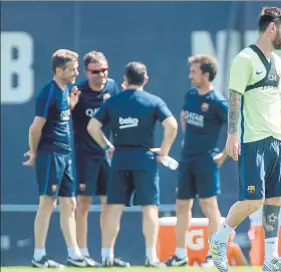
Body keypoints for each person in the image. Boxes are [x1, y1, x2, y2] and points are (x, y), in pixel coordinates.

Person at [209, 6, 281, 272]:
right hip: (253, 141)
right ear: (272, 28)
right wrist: (231, 135)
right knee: (253, 201)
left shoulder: (279, 62)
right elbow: (235, 99)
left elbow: (277, 103)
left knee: (275, 200)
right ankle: (218, 239)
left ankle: (271, 259)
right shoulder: (244, 59)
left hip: (276, 140)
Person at [87, 62, 178, 268]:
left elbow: (92, 126)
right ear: (145, 80)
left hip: (120, 158)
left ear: (125, 80)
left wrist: (107, 146)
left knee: (114, 208)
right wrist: (164, 151)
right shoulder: (153, 101)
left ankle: (106, 256)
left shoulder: (113, 101)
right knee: (149, 208)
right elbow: (172, 125)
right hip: (144, 158)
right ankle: (151, 256)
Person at [23, 49, 87, 268]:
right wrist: (33, 153)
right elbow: (35, 128)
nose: (76, 73)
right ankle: (39, 256)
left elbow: (58, 116)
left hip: (65, 153)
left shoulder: (65, 90)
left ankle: (74, 254)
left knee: (70, 203)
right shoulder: (47, 93)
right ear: (59, 71)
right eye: (72, 69)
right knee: (47, 203)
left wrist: (71, 105)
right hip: (51, 153)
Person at [165, 55, 228, 267]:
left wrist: (224, 154)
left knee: (209, 206)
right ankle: (180, 254)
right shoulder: (190, 95)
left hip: (206, 161)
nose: (190, 75)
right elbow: (184, 117)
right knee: (182, 205)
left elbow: (237, 128)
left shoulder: (218, 102)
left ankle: (215, 256)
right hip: (186, 160)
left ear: (206, 75)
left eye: (194, 71)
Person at [71, 51, 125, 267]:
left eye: (104, 70)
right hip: (85, 155)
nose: (101, 75)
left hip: (107, 154)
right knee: (83, 203)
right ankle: (82, 253)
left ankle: (107, 254)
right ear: (87, 72)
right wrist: (71, 105)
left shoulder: (112, 87)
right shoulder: (79, 92)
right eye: (96, 71)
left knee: (109, 203)